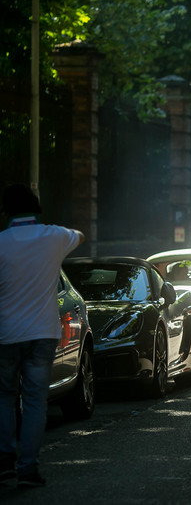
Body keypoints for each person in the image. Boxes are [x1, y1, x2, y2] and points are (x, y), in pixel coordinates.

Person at [0, 184, 84, 488]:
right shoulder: (54, 236)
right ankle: (28, 470)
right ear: (36, 210)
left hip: (6, 335)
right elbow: (81, 235)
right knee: (36, 401)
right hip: (43, 335)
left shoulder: (1, 242)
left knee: (5, 397)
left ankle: (4, 459)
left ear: (6, 212)